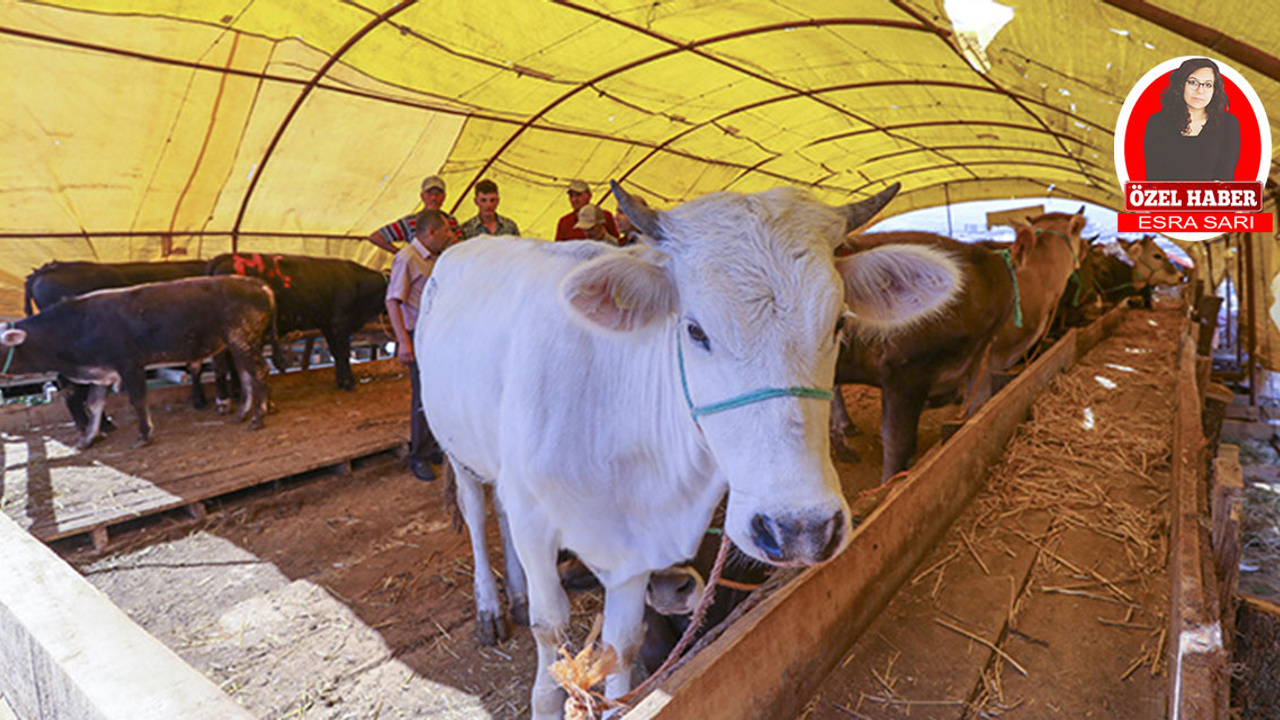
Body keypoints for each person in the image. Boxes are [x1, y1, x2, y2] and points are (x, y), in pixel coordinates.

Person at [385, 208, 455, 481]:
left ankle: (435, 445)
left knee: (438, 392)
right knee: (422, 395)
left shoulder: (434, 258)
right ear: (432, 232)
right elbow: (393, 301)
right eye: (446, 231)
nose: (449, 236)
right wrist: (403, 341)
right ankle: (419, 456)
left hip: (434, 333)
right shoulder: (407, 258)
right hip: (417, 334)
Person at [1142, 57, 1241, 181]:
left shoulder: (1228, 123)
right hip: (1167, 199)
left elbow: (1225, 179)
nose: (1200, 91)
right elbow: (1153, 178)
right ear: (1181, 85)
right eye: (1193, 82)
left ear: (1214, 90)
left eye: (1208, 85)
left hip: (1211, 199)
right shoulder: (1157, 123)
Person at [368, 175, 459, 253]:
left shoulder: (451, 220)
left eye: (438, 193)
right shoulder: (411, 221)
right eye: (429, 193)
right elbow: (376, 237)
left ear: (444, 197)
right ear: (422, 196)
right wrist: (401, 254)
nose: (434, 198)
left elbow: (461, 244)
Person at [554, 179, 619, 241]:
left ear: (589, 195)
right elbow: (557, 249)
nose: (574, 200)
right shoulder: (564, 222)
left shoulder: (605, 215)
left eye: (578, 195)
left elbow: (616, 243)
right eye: (571, 196)